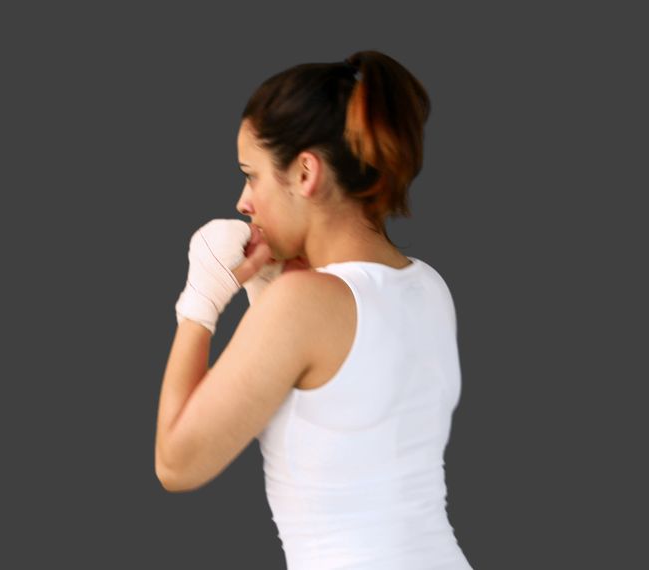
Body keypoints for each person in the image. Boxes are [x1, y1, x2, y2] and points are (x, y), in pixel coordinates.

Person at [154, 50, 474, 569]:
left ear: (306, 172)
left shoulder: (303, 304)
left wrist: (201, 300)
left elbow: (176, 462)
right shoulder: (429, 288)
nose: (243, 201)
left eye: (251, 175)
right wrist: (270, 292)